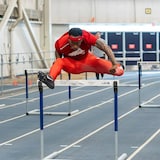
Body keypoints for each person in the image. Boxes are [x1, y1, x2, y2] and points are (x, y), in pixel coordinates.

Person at [38, 28, 124, 89]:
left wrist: (114, 63)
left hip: (88, 60)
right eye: (72, 43)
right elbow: (58, 56)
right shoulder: (60, 43)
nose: (75, 46)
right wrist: (57, 69)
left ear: (82, 39)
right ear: (68, 40)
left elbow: (105, 47)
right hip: (72, 65)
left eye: (77, 42)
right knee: (59, 61)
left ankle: (119, 66)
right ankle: (50, 78)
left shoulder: (87, 36)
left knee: (119, 71)